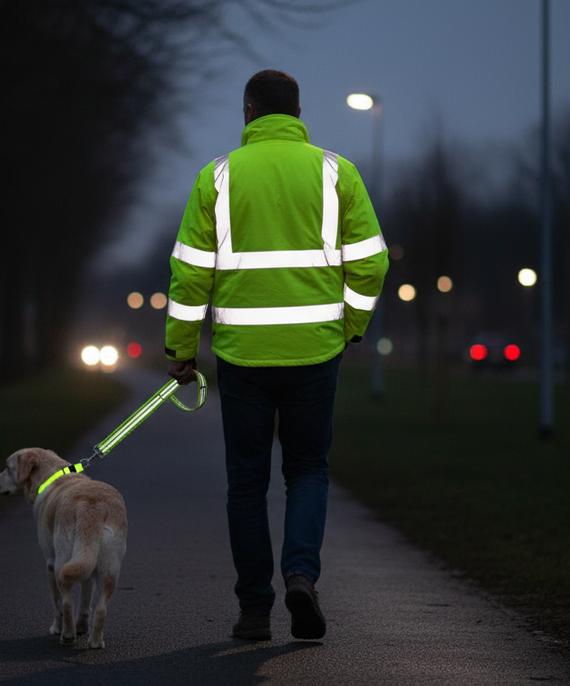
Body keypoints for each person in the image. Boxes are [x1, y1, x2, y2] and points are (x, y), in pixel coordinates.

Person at [165, 69, 388, 641]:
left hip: (242, 357)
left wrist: (181, 352)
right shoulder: (337, 173)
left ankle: (254, 610)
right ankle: (301, 575)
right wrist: (351, 329)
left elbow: (190, 276)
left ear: (248, 112)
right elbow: (371, 264)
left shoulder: (217, 178)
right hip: (316, 351)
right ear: (296, 113)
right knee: (307, 469)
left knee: (246, 482)